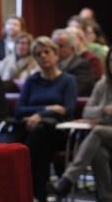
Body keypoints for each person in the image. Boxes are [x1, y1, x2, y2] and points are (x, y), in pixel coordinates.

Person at [16, 36, 77, 202]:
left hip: (60, 132)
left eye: (47, 52)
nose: (42, 56)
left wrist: (39, 116)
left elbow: (67, 110)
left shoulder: (67, 80)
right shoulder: (32, 80)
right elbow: (19, 109)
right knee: (40, 143)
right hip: (33, 130)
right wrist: (47, 109)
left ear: (56, 55)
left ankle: (29, 187)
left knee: (40, 132)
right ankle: (40, 195)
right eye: (38, 54)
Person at [50, 47, 112, 202]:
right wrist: (104, 109)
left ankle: (67, 179)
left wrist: (100, 116)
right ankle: (106, 198)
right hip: (106, 136)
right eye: (111, 60)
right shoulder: (103, 84)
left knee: (97, 131)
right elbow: (87, 112)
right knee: (99, 153)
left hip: (102, 131)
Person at [52, 28, 94, 96]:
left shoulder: (82, 65)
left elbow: (74, 90)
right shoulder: (52, 65)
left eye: (61, 46)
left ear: (72, 48)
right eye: (54, 46)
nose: (56, 50)